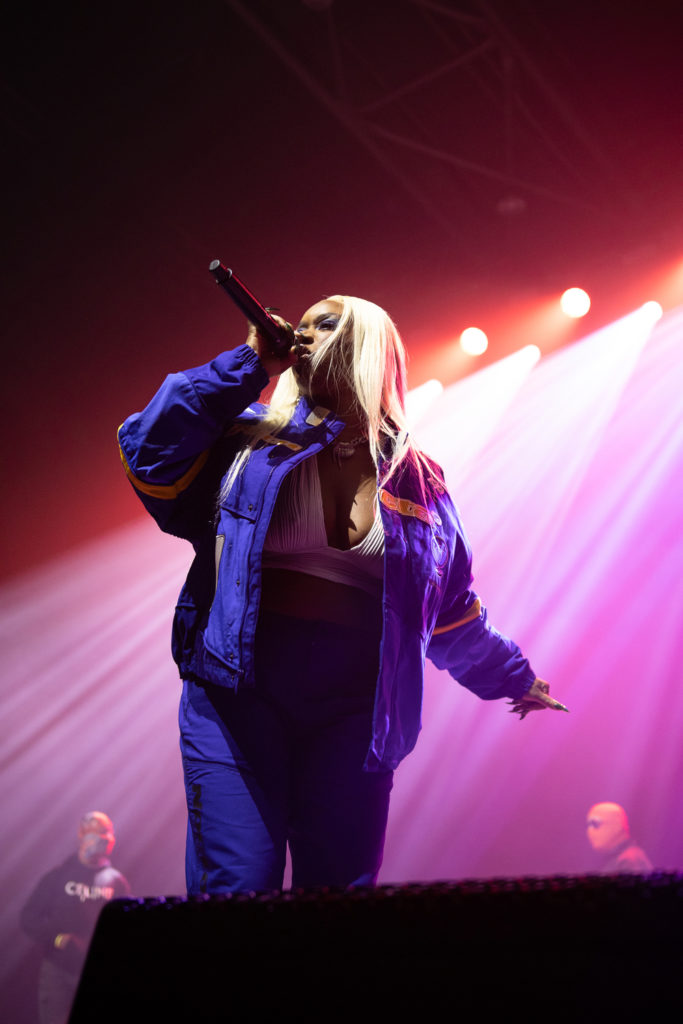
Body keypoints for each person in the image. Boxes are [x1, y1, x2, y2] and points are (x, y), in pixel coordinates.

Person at [118, 294, 567, 895]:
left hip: (356, 711)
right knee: (237, 887)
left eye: (325, 324)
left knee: (339, 903)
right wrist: (249, 363)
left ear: (371, 345)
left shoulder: (419, 481)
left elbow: (449, 610)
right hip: (238, 693)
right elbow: (148, 449)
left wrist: (512, 676)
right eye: (299, 327)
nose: (303, 335)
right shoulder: (246, 440)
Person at [20, 811, 131, 1024]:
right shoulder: (58, 876)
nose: (100, 839)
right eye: (93, 833)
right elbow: (29, 917)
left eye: (105, 833)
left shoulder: (116, 881)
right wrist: (56, 939)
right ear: (81, 835)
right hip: (59, 971)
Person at [586, 802, 653, 873]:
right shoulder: (620, 858)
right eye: (588, 825)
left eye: (595, 824)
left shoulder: (629, 861)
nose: (589, 831)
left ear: (617, 826)